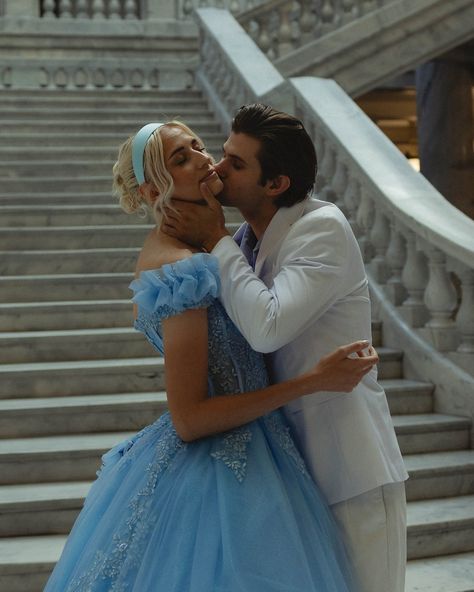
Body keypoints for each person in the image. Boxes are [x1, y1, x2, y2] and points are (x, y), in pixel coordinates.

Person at [43, 120, 378, 592]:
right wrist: (310, 381)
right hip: (218, 475)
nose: (203, 159)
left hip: (269, 453)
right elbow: (190, 418)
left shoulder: (219, 246)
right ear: (151, 187)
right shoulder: (180, 268)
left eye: (199, 146)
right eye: (181, 158)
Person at [162, 104, 409, 592]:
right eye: (224, 154)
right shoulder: (241, 243)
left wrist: (212, 238)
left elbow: (267, 328)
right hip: (281, 476)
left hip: (348, 471)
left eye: (236, 164)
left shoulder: (321, 228)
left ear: (275, 184)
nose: (216, 167)